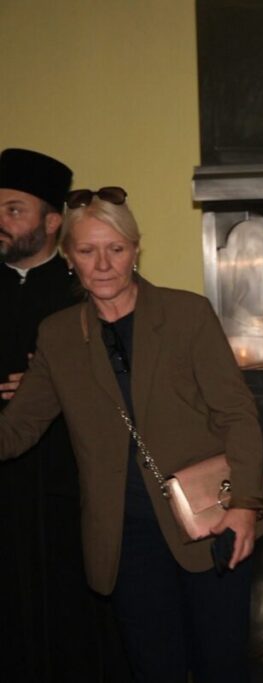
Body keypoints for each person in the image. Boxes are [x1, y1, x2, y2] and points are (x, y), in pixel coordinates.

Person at [0, 187, 263, 683]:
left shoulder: (186, 314)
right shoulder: (59, 335)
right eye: (88, 251)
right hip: (125, 540)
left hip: (212, 523)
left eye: (116, 248)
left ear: (136, 250)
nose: (103, 264)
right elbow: (18, 429)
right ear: (70, 258)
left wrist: (244, 506)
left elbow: (237, 414)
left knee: (222, 668)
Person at [0, 147, 129, 681]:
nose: (1, 221)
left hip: (68, 480)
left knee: (76, 621)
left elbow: (126, 374)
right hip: (5, 476)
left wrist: (54, 382)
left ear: (52, 222)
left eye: (13, 210)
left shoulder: (87, 287)